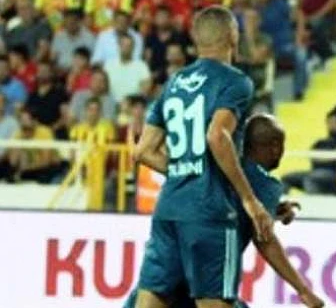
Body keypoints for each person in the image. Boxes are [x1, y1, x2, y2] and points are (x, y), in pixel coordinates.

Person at [132, 6, 273, 308]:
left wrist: (185, 168)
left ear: (196, 39)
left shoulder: (174, 82)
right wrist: (249, 199)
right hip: (210, 212)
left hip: (168, 209)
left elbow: (142, 150)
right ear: (233, 36)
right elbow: (217, 136)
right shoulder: (235, 81)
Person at [125, 114, 324, 308]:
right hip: (203, 282)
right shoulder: (263, 182)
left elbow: (226, 199)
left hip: (162, 280)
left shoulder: (216, 167)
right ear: (275, 147)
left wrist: (273, 209)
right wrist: (303, 290)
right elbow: (265, 239)